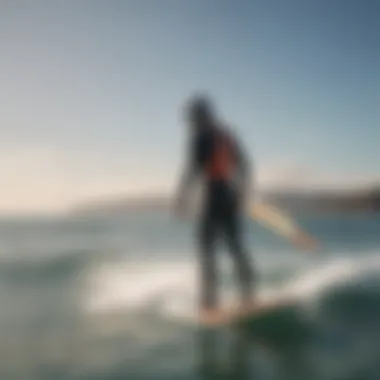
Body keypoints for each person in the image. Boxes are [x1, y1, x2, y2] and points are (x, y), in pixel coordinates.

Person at [174, 94, 255, 324]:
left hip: (214, 197)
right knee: (236, 248)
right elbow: (245, 165)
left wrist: (181, 199)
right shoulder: (227, 135)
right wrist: (242, 192)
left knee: (206, 250)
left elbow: (191, 171)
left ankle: (209, 302)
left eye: (192, 118)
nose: (191, 123)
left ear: (200, 117)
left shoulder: (200, 138)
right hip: (229, 196)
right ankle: (248, 296)